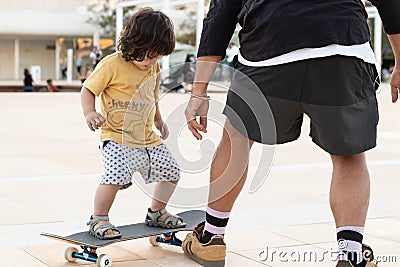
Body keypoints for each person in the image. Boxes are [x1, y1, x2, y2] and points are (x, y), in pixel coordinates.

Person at [183, 1, 400, 267]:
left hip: (268, 47)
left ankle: (211, 239)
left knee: (237, 138)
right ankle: (351, 253)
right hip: (341, 45)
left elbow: (221, 16)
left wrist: (198, 91)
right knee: (349, 154)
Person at [80, 7, 185, 240]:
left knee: (172, 172)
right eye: (149, 55)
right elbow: (88, 89)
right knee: (114, 177)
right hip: (116, 137)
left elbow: (153, 95)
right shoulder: (111, 65)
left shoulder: (154, 67)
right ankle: (99, 218)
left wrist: (158, 119)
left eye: (158, 56)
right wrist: (89, 112)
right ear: (132, 44)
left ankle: (157, 213)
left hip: (147, 138)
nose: (152, 61)